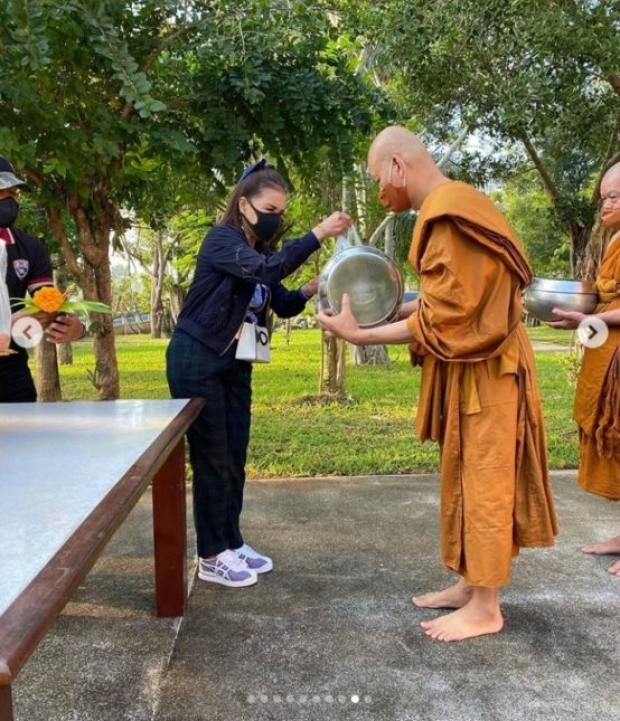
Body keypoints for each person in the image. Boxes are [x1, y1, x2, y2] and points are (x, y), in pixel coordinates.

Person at [317, 126, 558, 642]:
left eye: (378, 178)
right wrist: (373, 314)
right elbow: (442, 303)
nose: (380, 192)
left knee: (487, 476)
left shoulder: (449, 211)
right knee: (464, 470)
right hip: (473, 365)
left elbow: (453, 314)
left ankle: (487, 606)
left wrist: (362, 337)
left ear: (399, 168)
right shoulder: (453, 204)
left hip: (490, 369)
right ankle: (472, 585)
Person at [166, 159, 352, 589]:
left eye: (281, 212)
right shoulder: (222, 240)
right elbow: (266, 272)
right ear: (244, 205)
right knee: (212, 457)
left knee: (235, 455)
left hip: (235, 363)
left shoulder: (259, 252)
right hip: (198, 358)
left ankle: (231, 541)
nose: (276, 219)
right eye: (270, 209)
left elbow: (281, 300)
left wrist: (313, 287)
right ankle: (211, 555)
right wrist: (320, 233)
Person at [548, 162, 620, 577]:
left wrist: (593, 321)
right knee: (614, 440)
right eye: (604, 197)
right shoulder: (613, 242)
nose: (606, 205)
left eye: (615, 197)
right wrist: (575, 314)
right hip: (607, 355)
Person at [0, 155, 86, 402]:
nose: (11, 199)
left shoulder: (30, 248)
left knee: (21, 441)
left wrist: (73, 328)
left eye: (14, 192)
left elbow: (47, 307)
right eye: (1, 192)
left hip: (12, 376)